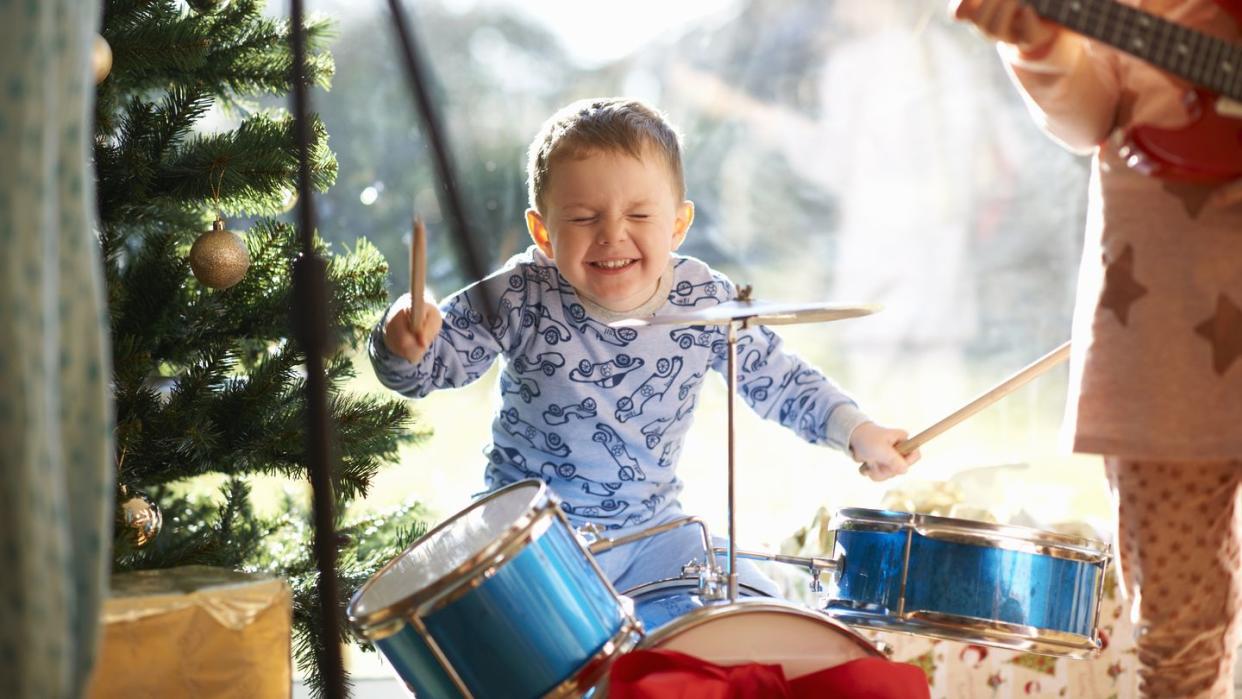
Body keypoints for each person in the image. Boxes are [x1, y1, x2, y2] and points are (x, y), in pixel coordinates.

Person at [369, 97, 919, 597]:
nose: (612, 234)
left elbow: (778, 379)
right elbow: (427, 372)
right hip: (526, 543)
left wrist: (857, 432)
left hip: (655, 537)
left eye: (639, 215)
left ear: (678, 224)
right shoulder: (520, 292)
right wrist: (403, 341)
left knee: (752, 618)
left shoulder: (705, 297)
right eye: (584, 218)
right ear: (543, 233)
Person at [951, 1, 1242, 696]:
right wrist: (1044, 46)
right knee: (1179, 628)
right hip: (1165, 322)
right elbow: (1088, 118)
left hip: (1164, 315)